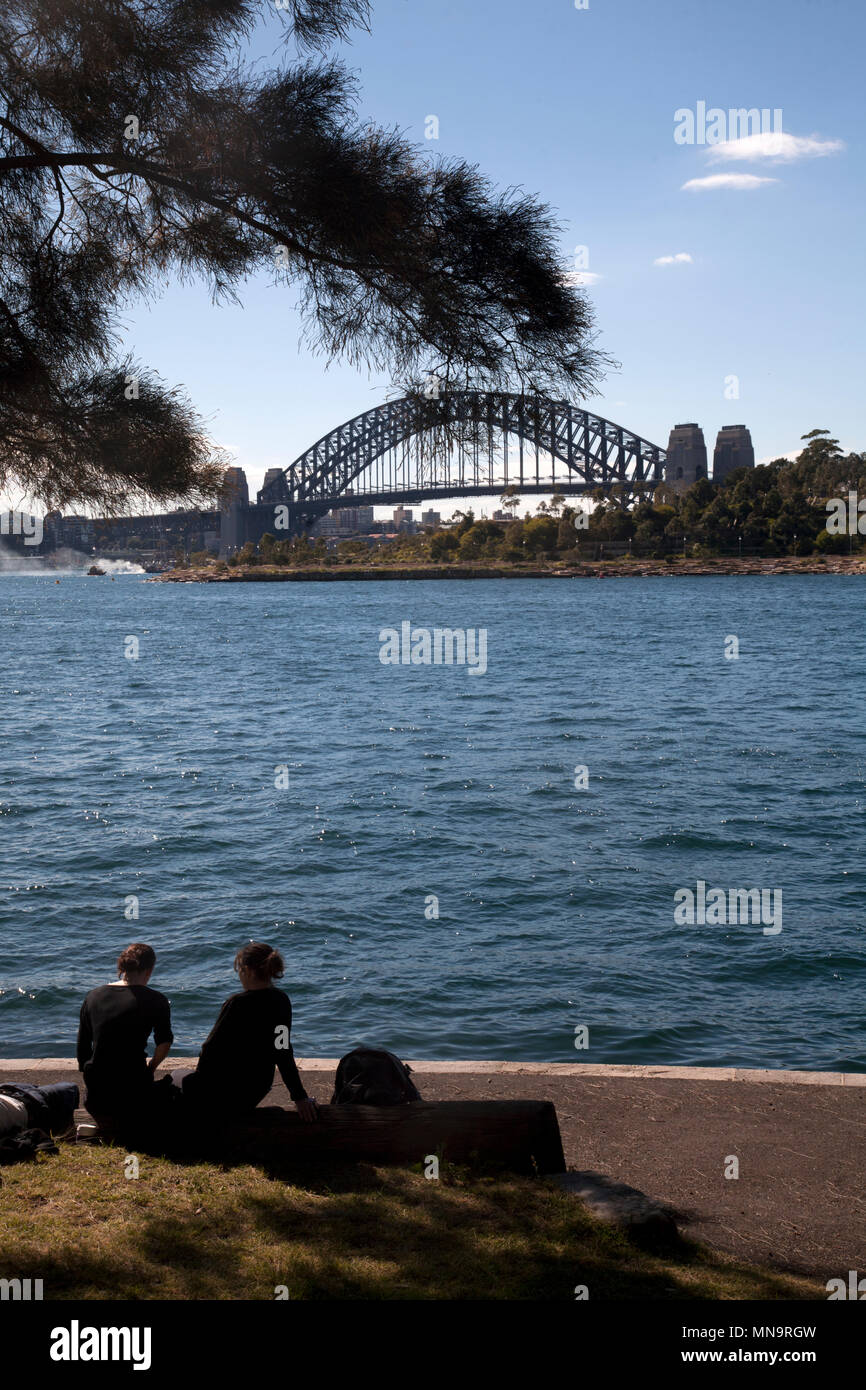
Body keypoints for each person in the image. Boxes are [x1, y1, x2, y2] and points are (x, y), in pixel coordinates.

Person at [180, 942, 317, 1122]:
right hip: (255, 1090)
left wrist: (198, 1084)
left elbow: (210, 1049)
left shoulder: (236, 1004)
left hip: (223, 1093)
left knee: (176, 1078)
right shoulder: (281, 1001)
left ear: (249, 971)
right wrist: (299, 1096)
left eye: (239, 969)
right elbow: (283, 1050)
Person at [76, 942, 174, 1131]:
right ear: (149, 970)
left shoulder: (93, 996)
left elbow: (83, 1049)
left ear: (122, 968)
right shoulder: (156, 1000)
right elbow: (164, 1042)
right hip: (135, 1094)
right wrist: (151, 1067)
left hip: (97, 1099)